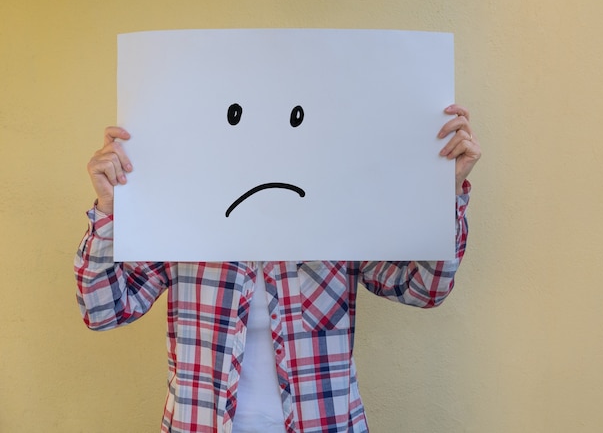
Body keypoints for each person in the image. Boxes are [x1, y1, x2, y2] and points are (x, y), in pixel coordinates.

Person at [74, 104, 481, 433]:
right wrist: (110, 210)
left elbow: (423, 289)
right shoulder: (183, 215)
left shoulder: (342, 213)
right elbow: (104, 310)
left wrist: (441, 193)